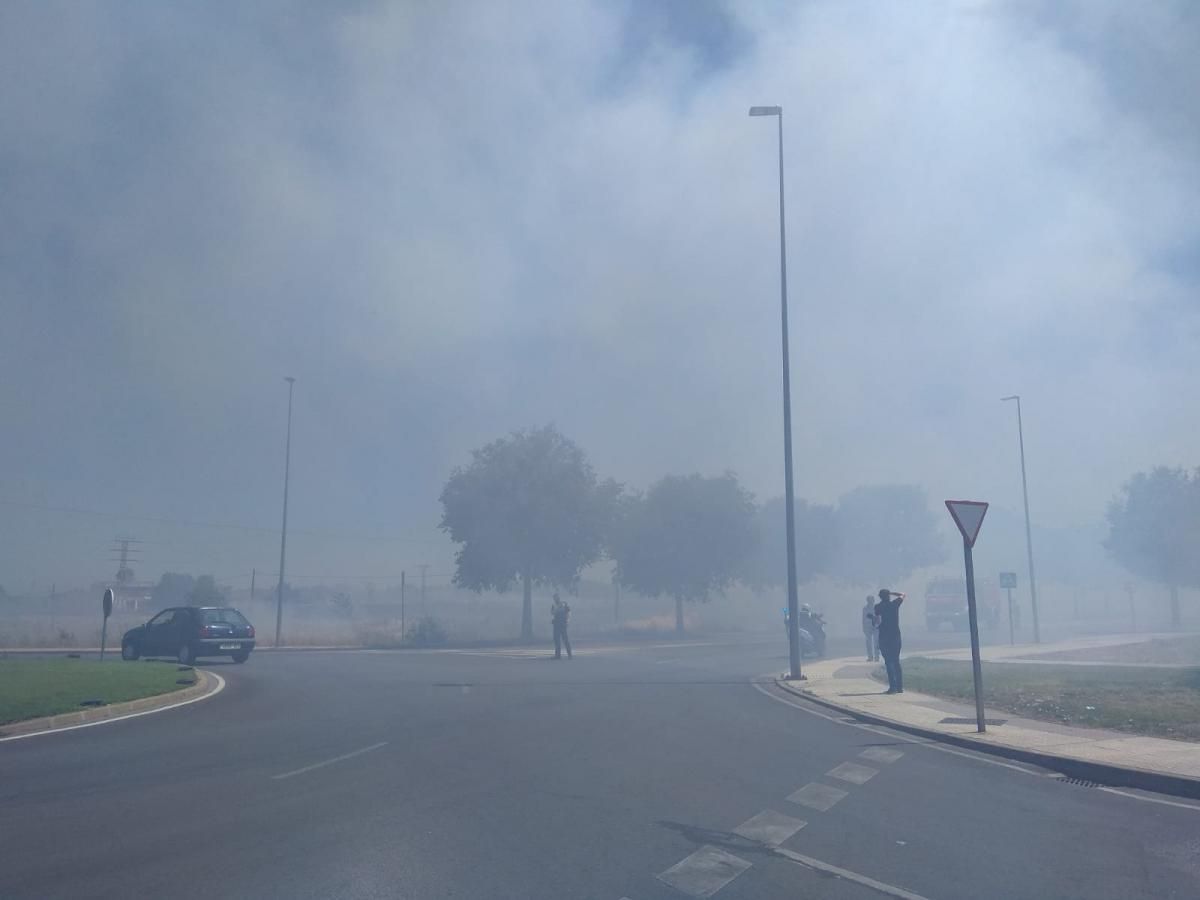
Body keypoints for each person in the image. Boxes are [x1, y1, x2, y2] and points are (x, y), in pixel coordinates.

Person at [875, 588, 905, 693]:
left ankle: (892, 687)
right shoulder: (894, 604)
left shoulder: (878, 607)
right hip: (895, 636)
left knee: (888, 662)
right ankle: (900, 687)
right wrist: (892, 593)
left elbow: (877, 621)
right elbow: (903, 594)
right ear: (888, 596)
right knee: (896, 661)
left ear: (880, 597)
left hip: (884, 636)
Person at [550, 593, 572, 659]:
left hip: (562, 624)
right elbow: (552, 613)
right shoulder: (554, 605)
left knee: (565, 639)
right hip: (556, 624)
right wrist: (556, 608)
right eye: (554, 597)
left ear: (559, 597)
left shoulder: (564, 604)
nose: (556, 598)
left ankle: (569, 654)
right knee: (556, 640)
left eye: (557, 597)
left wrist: (567, 621)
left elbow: (569, 613)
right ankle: (558, 655)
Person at [862, 596, 879, 662]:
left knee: (876, 642)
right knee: (868, 643)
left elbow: (879, 617)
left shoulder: (876, 608)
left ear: (873, 601)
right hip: (868, 627)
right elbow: (863, 618)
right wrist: (863, 627)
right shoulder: (865, 609)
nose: (870, 601)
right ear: (867, 601)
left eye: (872, 600)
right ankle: (870, 657)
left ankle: (877, 657)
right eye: (869, 600)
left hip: (876, 627)